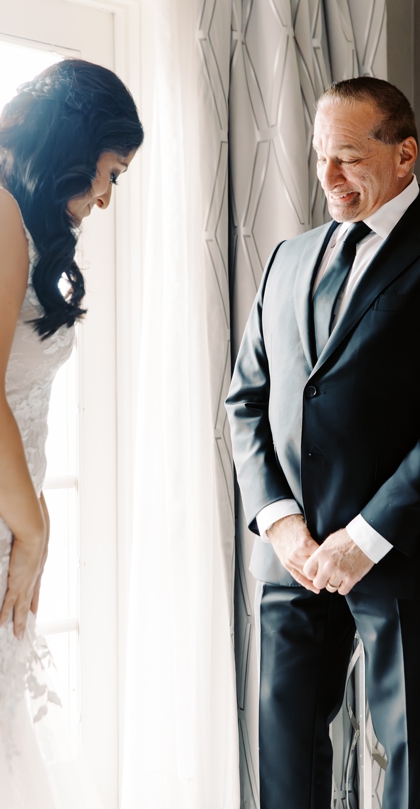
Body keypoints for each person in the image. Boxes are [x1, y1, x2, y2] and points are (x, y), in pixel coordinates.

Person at [226, 77, 420, 809]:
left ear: (404, 155)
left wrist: (366, 536)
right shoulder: (287, 258)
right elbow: (244, 401)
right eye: (320, 156)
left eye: (348, 158)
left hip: (406, 551)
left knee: (412, 757)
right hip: (293, 555)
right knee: (284, 744)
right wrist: (280, 521)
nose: (327, 177)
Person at [0, 59, 142, 805]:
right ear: (74, 144)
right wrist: (35, 532)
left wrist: (32, 523)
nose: (107, 197)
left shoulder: (18, 222)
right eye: (110, 171)